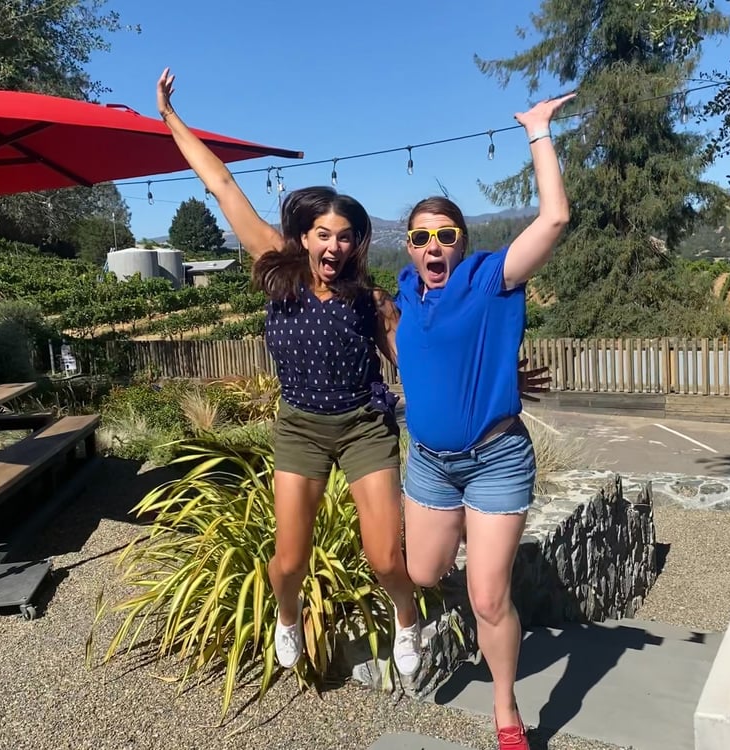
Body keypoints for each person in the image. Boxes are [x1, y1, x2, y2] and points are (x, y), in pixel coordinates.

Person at [156, 67, 550, 682]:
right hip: (301, 429)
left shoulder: (369, 301)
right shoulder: (275, 267)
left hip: (365, 427)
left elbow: (422, 361)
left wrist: (497, 380)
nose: (333, 246)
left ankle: (406, 619)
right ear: (303, 236)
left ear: (355, 243)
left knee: (385, 556)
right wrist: (172, 121)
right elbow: (223, 185)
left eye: (344, 236)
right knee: (287, 561)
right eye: (322, 234)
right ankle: (287, 616)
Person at [388, 94, 575, 749]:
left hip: (496, 458)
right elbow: (415, 357)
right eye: (421, 236)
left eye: (445, 234)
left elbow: (554, 218)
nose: (433, 244)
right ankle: (408, 617)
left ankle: (506, 711)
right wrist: (498, 376)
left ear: (461, 241)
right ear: (408, 248)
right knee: (420, 574)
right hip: (431, 464)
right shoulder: (404, 297)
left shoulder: (488, 279)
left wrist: (539, 133)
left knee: (488, 596)